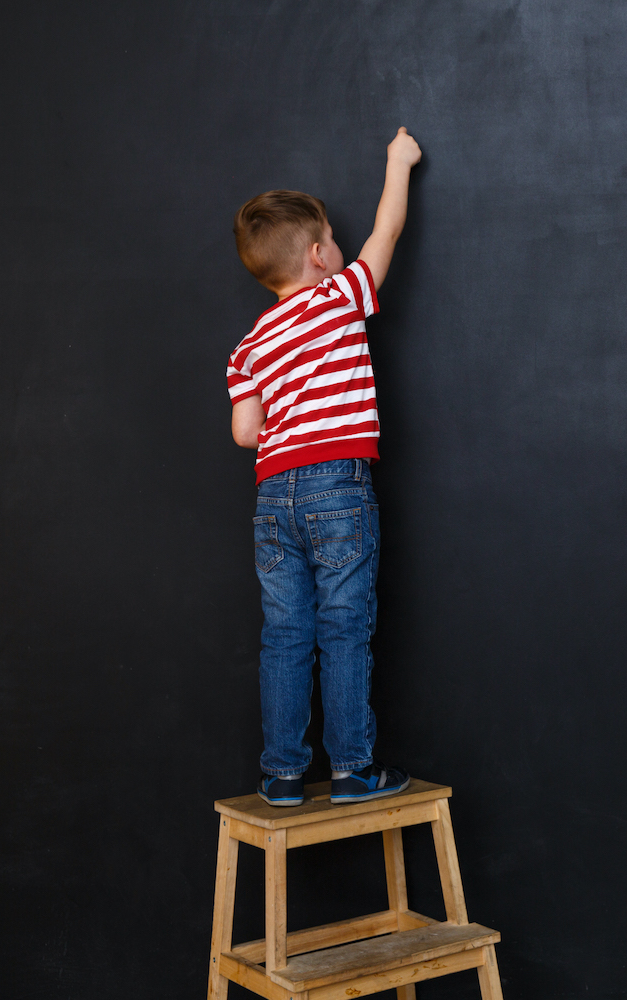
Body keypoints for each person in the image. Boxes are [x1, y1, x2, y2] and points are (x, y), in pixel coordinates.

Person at [225, 128, 422, 806]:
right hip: (337, 481)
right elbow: (388, 232)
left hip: (274, 495)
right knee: (343, 627)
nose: (342, 247)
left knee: (285, 634)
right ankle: (352, 770)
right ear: (318, 254)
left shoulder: (248, 346)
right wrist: (398, 162)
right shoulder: (337, 298)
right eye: (334, 238)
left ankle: (282, 773)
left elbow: (246, 432)